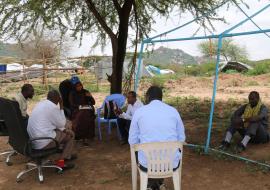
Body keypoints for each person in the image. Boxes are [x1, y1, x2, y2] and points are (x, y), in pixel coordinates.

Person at [129, 86, 186, 190]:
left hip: (147, 165)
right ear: (161, 97)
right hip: (170, 164)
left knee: (140, 152)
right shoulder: (173, 111)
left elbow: (132, 141)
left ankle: (151, 184)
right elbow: (181, 138)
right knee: (161, 154)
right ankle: (158, 183)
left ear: (147, 97)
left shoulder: (139, 112)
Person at [27, 90, 76, 170]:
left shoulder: (41, 103)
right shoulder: (53, 107)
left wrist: (64, 130)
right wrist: (61, 105)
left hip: (33, 141)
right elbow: (62, 123)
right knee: (71, 135)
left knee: (65, 129)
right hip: (44, 141)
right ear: (58, 98)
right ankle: (61, 164)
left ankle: (67, 155)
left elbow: (54, 123)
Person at [69, 76, 96, 146]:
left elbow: (93, 102)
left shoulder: (85, 92)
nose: (79, 87)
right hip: (76, 110)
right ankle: (80, 136)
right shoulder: (72, 93)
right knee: (81, 116)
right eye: (77, 86)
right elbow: (72, 104)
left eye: (80, 85)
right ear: (74, 86)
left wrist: (90, 96)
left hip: (87, 109)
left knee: (87, 114)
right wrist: (79, 106)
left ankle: (88, 136)